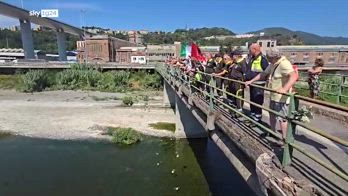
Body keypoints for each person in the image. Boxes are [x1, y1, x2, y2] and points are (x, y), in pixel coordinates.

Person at [245, 48, 298, 141]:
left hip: (282, 97)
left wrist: (284, 89)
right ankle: (272, 132)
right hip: (274, 95)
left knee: (282, 118)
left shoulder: (284, 63)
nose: (267, 59)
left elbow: (294, 76)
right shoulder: (273, 64)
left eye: (268, 57)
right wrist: (251, 81)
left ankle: (284, 140)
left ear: (273, 57)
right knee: (272, 114)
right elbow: (263, 74)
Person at [245, 43, 269, 121]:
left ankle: (258, 117)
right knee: (252, 100)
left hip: (259, 85)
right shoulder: (252, 58)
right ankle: (253, 115)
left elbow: (266, 72)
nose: (249, 51)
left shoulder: (262, 59)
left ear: (254, 49)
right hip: (252, 83)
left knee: (257, 100)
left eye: (250, 50)